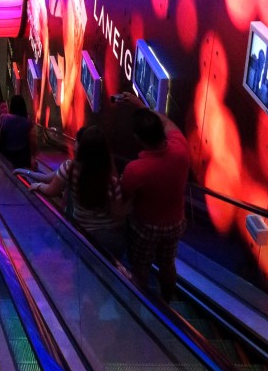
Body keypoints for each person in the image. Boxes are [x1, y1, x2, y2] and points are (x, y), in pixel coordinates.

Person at [118, 93, 190, 299]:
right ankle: (167, 302)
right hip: (175, 223)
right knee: (168, 264)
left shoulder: (136, 169)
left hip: (146, 227)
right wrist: (143, 108)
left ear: (138, 139)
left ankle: (142, 305)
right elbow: (167, 123)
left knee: (140, 267)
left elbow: (124, 198)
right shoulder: (181, 149)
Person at [29, 126, 126, 256]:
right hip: (108, 236)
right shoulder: (111, 181)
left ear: (81, 147)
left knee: (83, 267)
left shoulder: (70, 167)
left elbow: (51, 190)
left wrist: (38, 186)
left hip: (82, 230)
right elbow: (117, 215)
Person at [0, 95, 35, 169]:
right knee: (21, 174)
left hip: (7, 153)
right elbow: (31, 140)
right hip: (22, 154)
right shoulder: (27, 121)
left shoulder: (4, 118)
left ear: (11, 105)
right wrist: (32, 157)